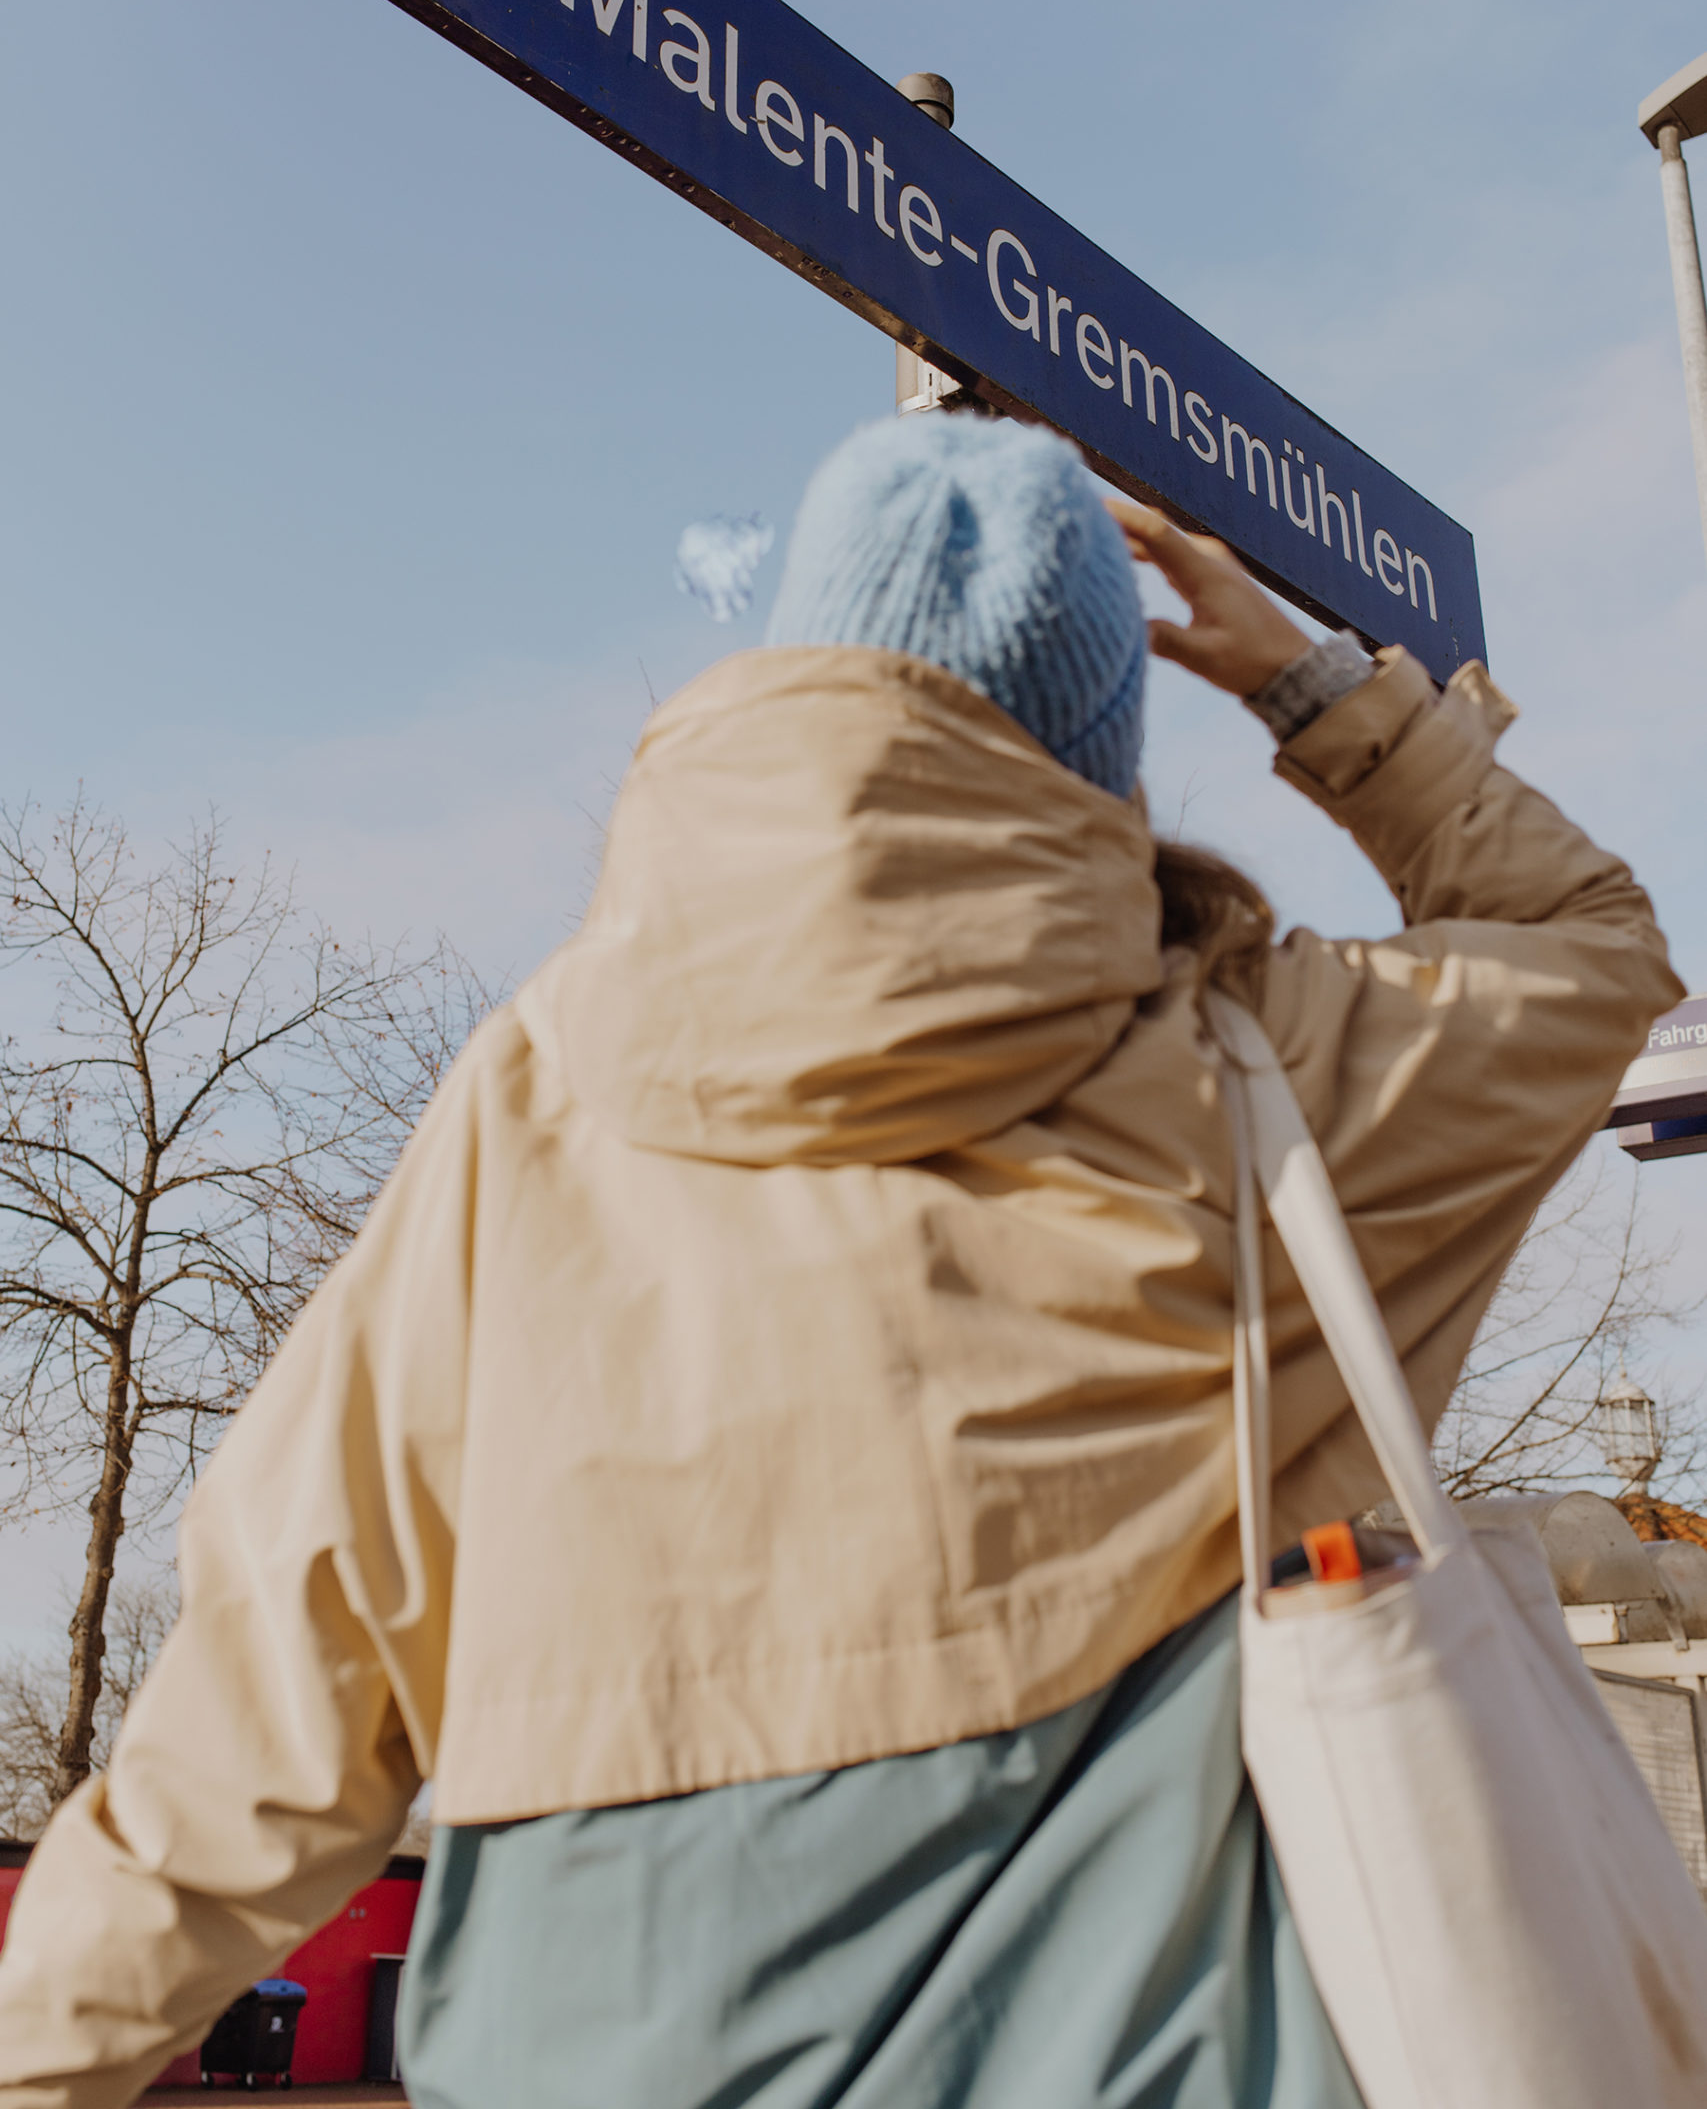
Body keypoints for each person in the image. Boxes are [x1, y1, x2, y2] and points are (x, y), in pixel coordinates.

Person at [0, 412, 1680, 2109]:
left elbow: (283, 1662)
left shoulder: (534, 1091)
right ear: (1098, 750)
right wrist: (1310, 686)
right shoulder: (1274, 1075)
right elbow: (1597, 953)